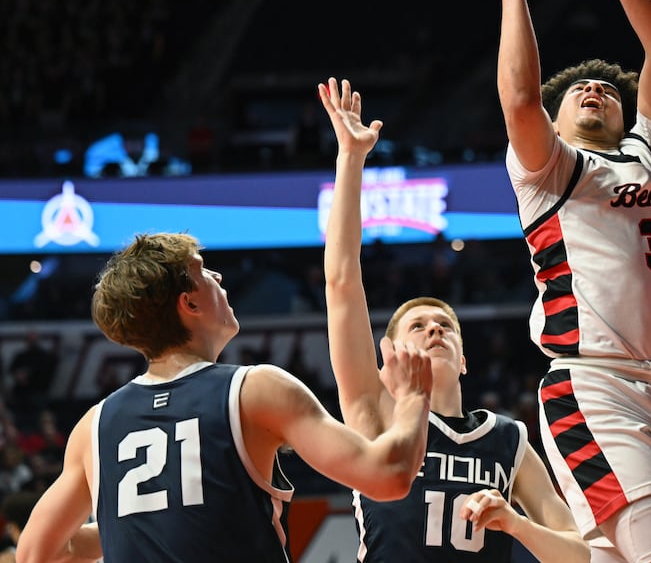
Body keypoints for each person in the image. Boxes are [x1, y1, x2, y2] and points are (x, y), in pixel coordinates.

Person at [455, 0, 651, 563]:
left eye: (606, 88)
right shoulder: (549, 171)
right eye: (579, 91)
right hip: (594, 388)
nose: (593, 88)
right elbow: (521, 99)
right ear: (558, 124)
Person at [17, 231, 433, 562]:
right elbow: (389, 476)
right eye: (204, 271)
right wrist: (413, 397)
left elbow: (39, 553)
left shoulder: (94, 425)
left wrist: (143, 522)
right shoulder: (255, 390)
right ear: (190, 303)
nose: (218, 278)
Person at [318, 77, 589, 563]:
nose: (435, 329)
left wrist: (515, 522)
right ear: (390, 359)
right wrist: (351, 158)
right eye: (417, 326)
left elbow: (579, 555)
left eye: (445, 326)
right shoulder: (375, 411)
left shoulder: (509, 439)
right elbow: (341, 283)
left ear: (464, 360)